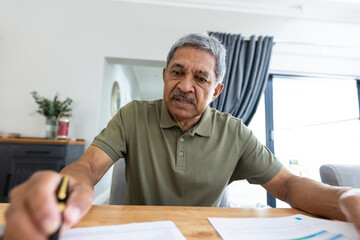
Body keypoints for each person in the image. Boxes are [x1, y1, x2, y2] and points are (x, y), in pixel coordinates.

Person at [4, 33, 360, 239]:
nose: (185, 86)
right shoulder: (133, 115)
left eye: (201, 78)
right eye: (177, 72)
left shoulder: (234, 131)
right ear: (164, 75)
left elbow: (286, 185)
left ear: (217, 91)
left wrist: (345, 196)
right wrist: (64, 192)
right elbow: (88, 168)